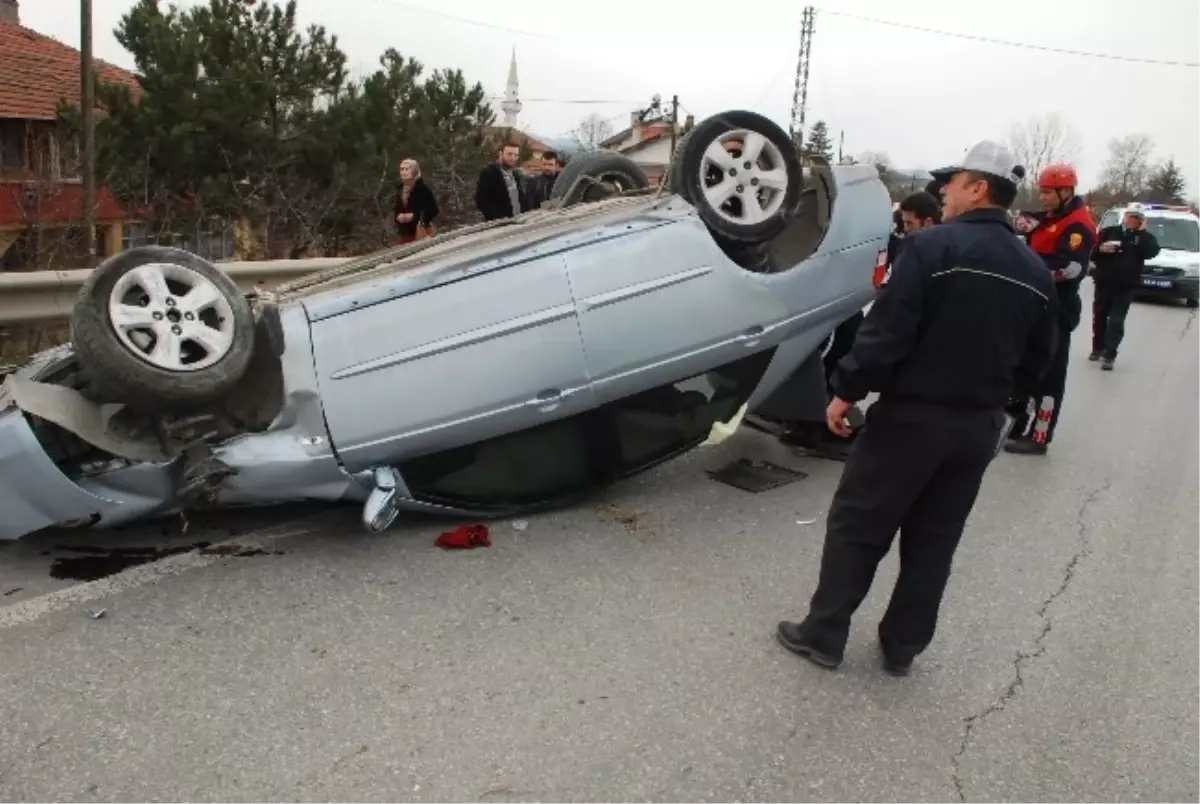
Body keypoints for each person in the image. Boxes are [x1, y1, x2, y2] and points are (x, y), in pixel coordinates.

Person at [776, 141, 1058, 676]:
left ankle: (825, 633)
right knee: (935, 538)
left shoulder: (933, 249)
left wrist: (845, 391)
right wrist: (999, 405)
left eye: (952, 182)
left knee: (859, 525)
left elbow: (887, 333)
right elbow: (1040, 359)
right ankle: (902, 647)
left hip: (912, 419)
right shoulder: (1033, 269)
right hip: (976, 427)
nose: (943, 192)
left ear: (978, 188)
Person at [1004, 164, 1097, 456]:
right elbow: (1031, 226)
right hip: (1032, 304)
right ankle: (1014, 423)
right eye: (1041, 192)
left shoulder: (1078, 226)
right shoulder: (1052, 217)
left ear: (1065, 192)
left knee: (1050, 376)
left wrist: (1029, 266)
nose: (1042, 198)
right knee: (1023, 366)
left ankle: (1041, 435)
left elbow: (1072, 269)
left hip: (1057, 307)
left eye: (1047, 193)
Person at [1090, 202, 1160, 370]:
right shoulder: (1109, 232)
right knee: (1100, 316)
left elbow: (1152, 252)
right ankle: (1098, 347)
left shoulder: (1143, 237)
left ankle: (1110, 355)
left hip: (1126, 285)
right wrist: (1101, 249)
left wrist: (1141, 234)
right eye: (1131, 216)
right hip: (1104, 282)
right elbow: (1092, 253)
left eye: (1137, 218)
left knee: (1116, 320)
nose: (1133, 220)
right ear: (1125, 216)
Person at [474, 143, 527, 221]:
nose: (512, 158)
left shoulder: (516, 175)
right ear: (500, 154)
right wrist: (498, 218)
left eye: (516, 155)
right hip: (499, 224)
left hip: (517, 221)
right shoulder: (489, 173)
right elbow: (481, 200)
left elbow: (519, 198)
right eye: (509, 154)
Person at [393, 158, 439, 245]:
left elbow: (433, 209)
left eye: (407, 169)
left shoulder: (422, 189)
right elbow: (396, 211)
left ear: (414, 171)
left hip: (422, 232)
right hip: (405, 234)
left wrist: (414, 216)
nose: (404, 172)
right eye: (402, 169)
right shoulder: (400, 190)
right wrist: (399, 217)